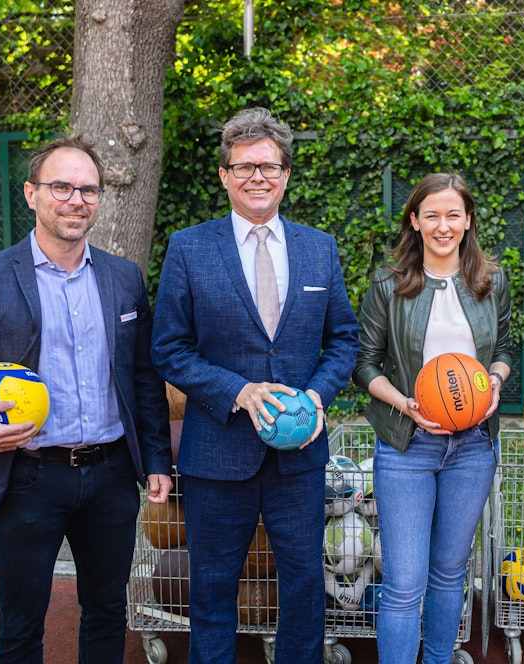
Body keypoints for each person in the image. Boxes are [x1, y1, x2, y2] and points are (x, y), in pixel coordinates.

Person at [0, 134, 173, 663]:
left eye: (88, 190)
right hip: (26, 476)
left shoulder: (123, 278)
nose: (76, 200)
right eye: (61, 187)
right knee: (22, 624)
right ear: (31, 194)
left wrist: (158, 460)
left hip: (112, 475)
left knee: (106, 614)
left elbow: (143, 376)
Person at [150, 107, 359, 663]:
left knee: (304, 593)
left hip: (300, 458)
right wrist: (238, 391)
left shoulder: (320, 247)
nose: (257, 177)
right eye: (244, 167)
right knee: (213, 594)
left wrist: (316, 396)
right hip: (217, 454)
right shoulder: (189, 248)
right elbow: (167, 349)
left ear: (286, 173)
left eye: (269, 166)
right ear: (224, 175)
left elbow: (344, 340)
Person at [353, 172, 513, 663]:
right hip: (406, 445)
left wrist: (496, 386)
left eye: (453, 215)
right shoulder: (388, 284)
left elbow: (505, 349)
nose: (443, 226)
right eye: (432, 215)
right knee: (404, 581)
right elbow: (364, 365)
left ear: (467, 221)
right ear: (415, 221)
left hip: (473, 445)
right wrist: (406, 406)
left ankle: (440, 658)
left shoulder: (493, 281)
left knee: (450, 571)